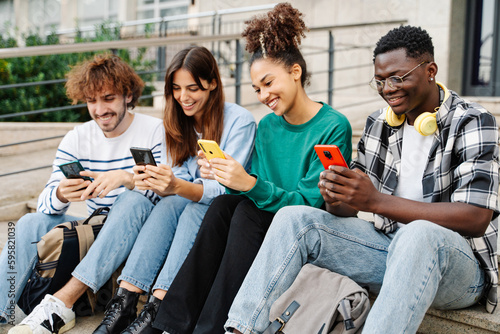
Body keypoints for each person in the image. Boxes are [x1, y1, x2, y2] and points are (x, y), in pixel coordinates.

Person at [224, 25, 499, 334]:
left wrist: (376, 201)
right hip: (388, 251)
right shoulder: (379, 123)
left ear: (430, 70)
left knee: (420, 234)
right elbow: (346, 213)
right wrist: (338, 194)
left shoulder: (473, 119)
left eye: (398, 77)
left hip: (460, 271)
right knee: (294, 219)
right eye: (380, 81)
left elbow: (475, 216)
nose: (388, 88)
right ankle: (241, 329)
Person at [148, 3, 353, 334]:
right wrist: (225, 176)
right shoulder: (268, 126)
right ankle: (171, 325)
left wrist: (248, 184)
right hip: (264, 220)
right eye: (257, 89)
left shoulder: (333, 126)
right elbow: (254, 189)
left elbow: (309, 205)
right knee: (223, 205)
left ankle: (209, 328)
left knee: (244, 212)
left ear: (295, 72)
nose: (263, 95)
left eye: (268, 83)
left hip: (304, 226)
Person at [92, 46, 256, 334]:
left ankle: (158, 308)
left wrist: (179, 185)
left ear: (213, 83)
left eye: (193, 88)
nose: (184, 97)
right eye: (177, 88)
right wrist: (157, 180)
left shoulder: (239, 121)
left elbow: (226, 191)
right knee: (167, 203)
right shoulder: (176, 120)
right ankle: (125, 303)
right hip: (184, 207)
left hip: (227, 213)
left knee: (191, 206)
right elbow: (177, 178)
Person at [4, 54, 164, 333]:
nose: (100, 109)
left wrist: (127, 179)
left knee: (132, 199)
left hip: (136, 235)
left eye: (108, 98)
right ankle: (4, 310)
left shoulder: (153, 130)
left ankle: (60, 305)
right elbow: (45, 204)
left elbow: (164, 197)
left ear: (128, 95)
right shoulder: (77, 137)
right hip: (92, 232)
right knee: (30, 222)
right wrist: (61, 195)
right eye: (92, 101)